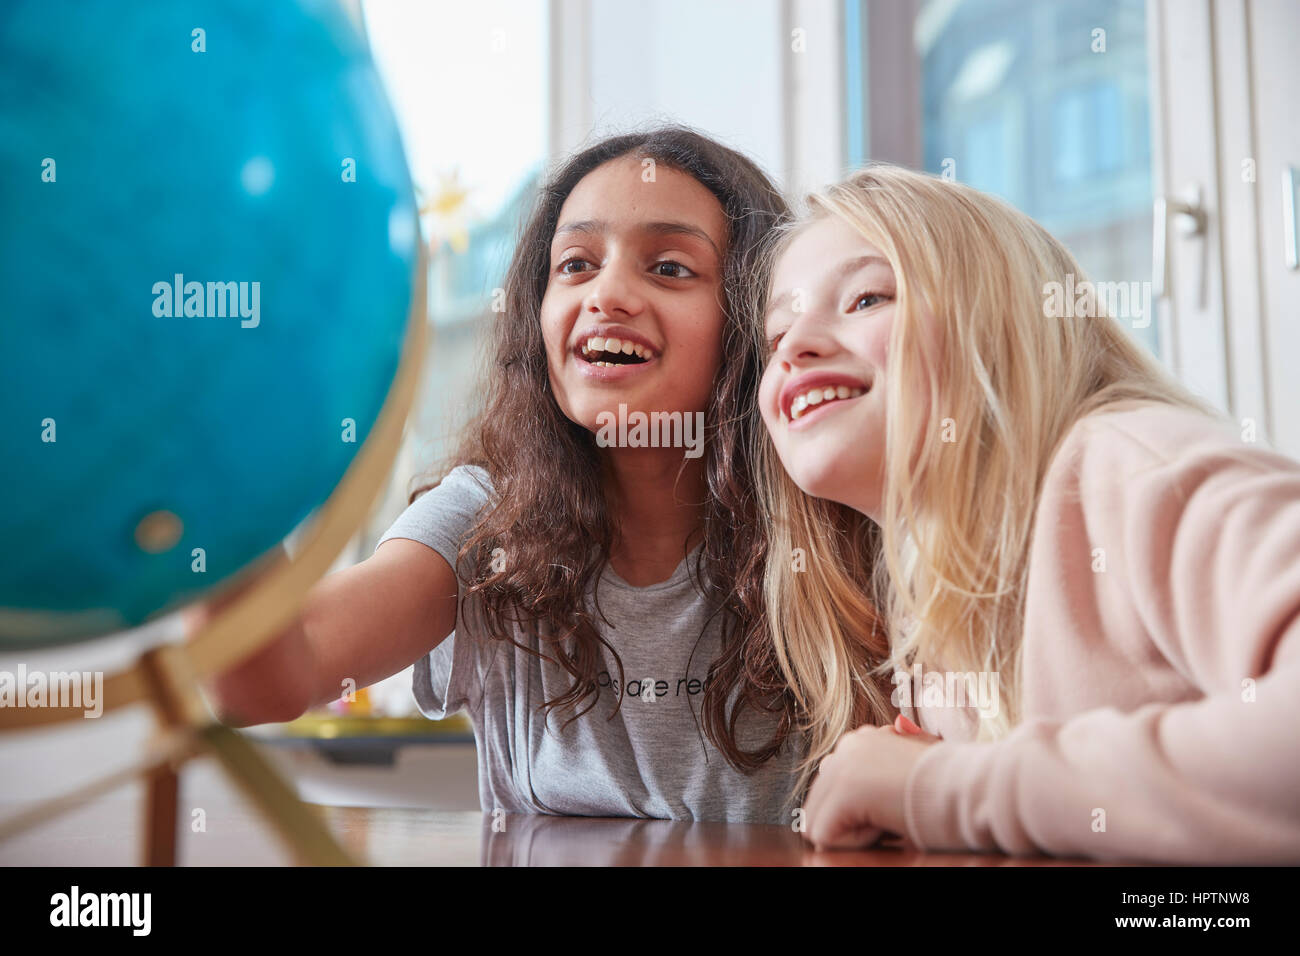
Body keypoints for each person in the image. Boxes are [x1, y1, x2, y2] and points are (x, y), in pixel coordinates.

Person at [196, 127, 806, 824]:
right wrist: (211, 452)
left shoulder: (819, 520)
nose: (607, 294)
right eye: (575, 265)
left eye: (669, 269)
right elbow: (264, 684)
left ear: (754, 318)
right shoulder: (486, 516)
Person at [754, 163, 1300, 862]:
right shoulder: (914, 598)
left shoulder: (1123, 469)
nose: (796, 346)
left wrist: (938, 786)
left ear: (999, 323)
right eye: (777, 337)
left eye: (865, 299)